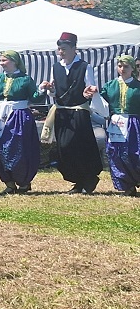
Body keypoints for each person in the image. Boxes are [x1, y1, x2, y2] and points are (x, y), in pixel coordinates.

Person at [38, 32, 103, 194]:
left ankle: (88, 178)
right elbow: (54, 92)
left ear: (74, 48)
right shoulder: (56, 67)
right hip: (62, 113)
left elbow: (90, 87)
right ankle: (78, 180)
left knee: (80, 146)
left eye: (64, 49)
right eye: (59, 49)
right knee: (64, 147)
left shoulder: (84, 66)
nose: (61, 52)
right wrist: (50, 89)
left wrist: (89, 93)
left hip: (79, 112)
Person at [0, 51, 42, 194]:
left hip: (18, 116)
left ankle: (23, 181)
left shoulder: (25, 79)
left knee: (18, 149)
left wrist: (42, 90)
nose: (1, 63)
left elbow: (35, 98)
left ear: (14, 61)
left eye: (4, 60)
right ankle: (9, 183)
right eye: (1, 60)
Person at [100, 55, 140, 197]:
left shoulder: (137, 86)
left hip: (134, 125)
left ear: (132, 68)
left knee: (135, 153)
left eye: (126, 66)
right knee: (115, 153)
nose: (122, 69)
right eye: (120, 66)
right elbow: (101, 103)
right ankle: (127, 185)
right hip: (115, 124)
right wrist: (91, 94)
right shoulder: (110, 85)